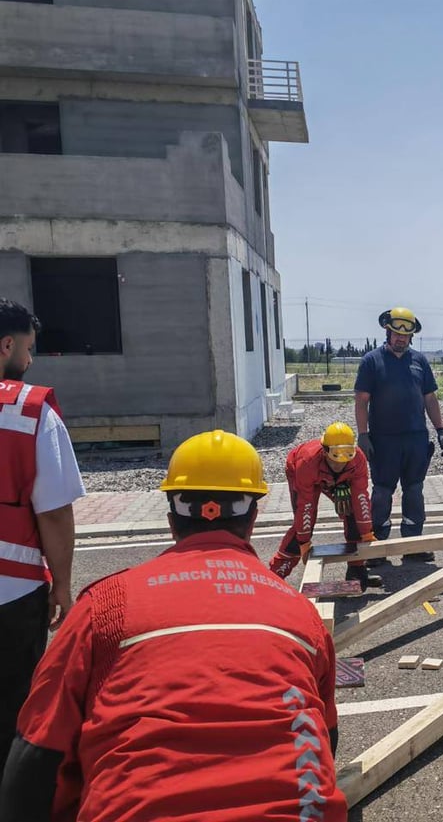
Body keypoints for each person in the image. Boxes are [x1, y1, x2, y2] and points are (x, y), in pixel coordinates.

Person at [0, 430, 346, 822]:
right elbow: (325, 740)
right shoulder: (301, 615)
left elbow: (36, 754)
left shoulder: (107, 605)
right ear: (252, 520)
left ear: (171, 521)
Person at [0, 298, 85, 769]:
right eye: (28, 349)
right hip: (11, 593)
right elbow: (53, 512)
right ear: (8, 345)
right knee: (15, 709)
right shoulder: (27, 410)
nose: (29, 361)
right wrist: (63, 585)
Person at [354, 307, 443, 563]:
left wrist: (440, 429)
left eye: (405, 336)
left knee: (414, 491)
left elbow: (429, 398)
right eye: (396, 334)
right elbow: (362, 400)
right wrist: (363, 435)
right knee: (383, 492)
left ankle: (412, 544)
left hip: (416, 439)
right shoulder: (372, 361)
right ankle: (376, 549)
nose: (400, 339)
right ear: (388, 332)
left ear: (411, 337)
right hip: (384, 440)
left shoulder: (419, 362)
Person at [268, 421, 377, 589]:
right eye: (335, 459)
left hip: (337, 480)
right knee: (303, 524)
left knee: (353, 514)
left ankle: (357, 570)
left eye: (346, 457)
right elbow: (306, 507)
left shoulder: (358, 459)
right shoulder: (307, 462)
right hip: (302, 472)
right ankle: (275, 575)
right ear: (325, 450)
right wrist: (304, 542)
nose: (340, 465)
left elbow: (361, 497)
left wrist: (367, 534)